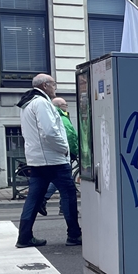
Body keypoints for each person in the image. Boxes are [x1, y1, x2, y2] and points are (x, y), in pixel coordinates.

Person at [15, 74, 81, 248]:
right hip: (53, 159)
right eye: (53, 84)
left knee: (34, 198)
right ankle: (74, 234)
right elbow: (50, 132)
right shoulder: (42, 103)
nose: (55, 87)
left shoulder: (28, 103)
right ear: (45, 85)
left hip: (37, 159)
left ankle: (24, 236)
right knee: (68, 194)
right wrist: (64, 149)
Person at [39, 96, 77, 217]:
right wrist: (74, 151)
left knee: (62, 180)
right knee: (63, 181)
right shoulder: (62, 118)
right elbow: (70, 136)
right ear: (60, 106)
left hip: (56, 153)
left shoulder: (53, 116)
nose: (66, 107)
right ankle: (47, 200)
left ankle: (60, 206)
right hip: (64, 153)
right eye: (65, 105)